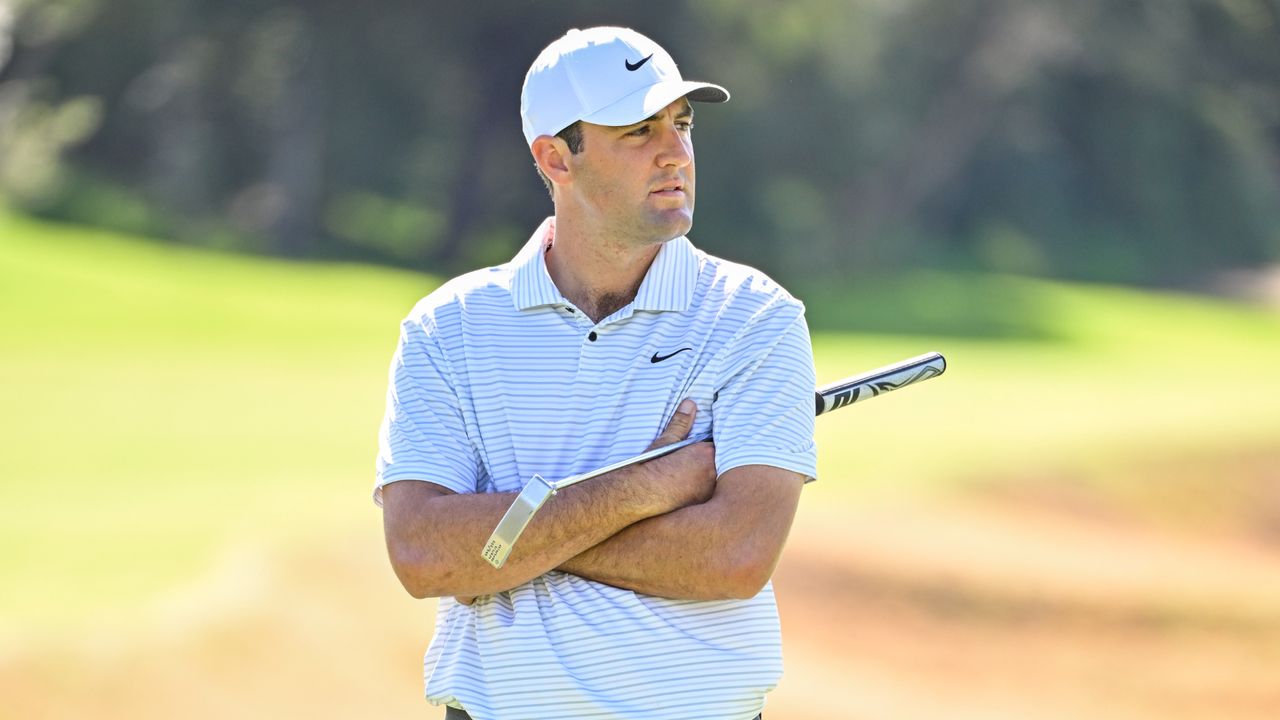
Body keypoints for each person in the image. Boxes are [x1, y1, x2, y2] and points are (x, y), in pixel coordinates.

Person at [374, 26, 817, 720]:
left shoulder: (755, 318)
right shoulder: (447, 327)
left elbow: (736, 555)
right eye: (639, 131)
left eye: (682, 122)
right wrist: (643, 488)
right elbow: (423, 556)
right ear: (555, 158)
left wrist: (502, 548)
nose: (676, 152)